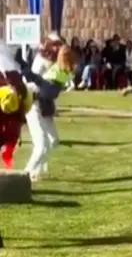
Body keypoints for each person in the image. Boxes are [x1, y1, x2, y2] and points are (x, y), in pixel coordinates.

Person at [20, 45, 76, 181]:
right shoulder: (54, 72)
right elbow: (43, 88)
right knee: (41, 146)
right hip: (35, 106)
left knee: (53, 141)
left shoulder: (63, 71)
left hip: (44, 105)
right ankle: (24, 175)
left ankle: (37, 171)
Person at [0, 46, 29, 170]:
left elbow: (22, 95)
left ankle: (7, 163)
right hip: (11, 115)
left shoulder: (13, 73)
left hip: (11, 115)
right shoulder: (14, 73)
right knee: (9, 139)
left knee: (10, 139)